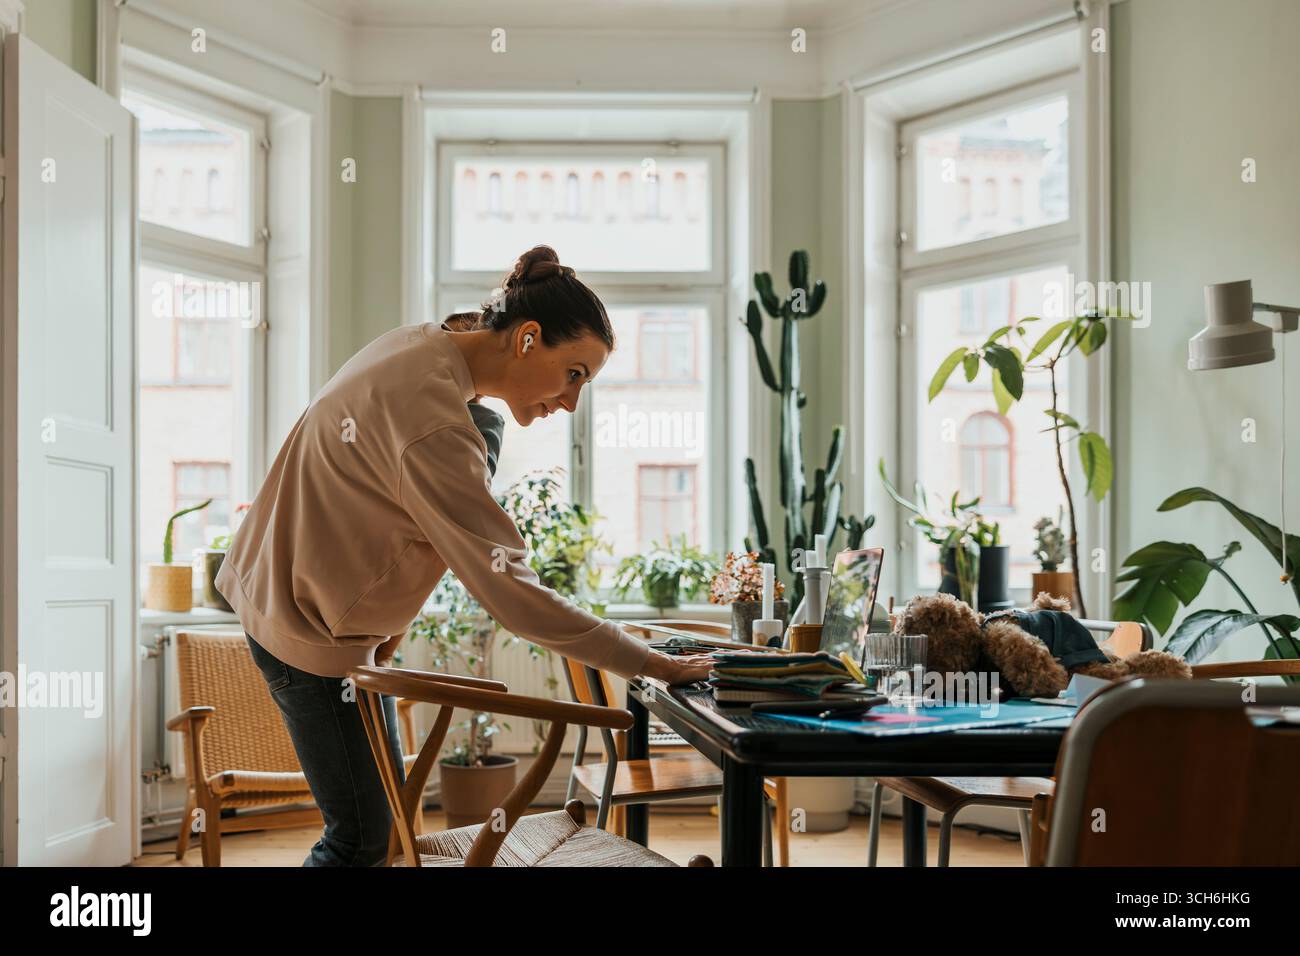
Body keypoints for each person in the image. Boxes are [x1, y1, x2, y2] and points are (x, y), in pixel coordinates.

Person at [216, 245, 713, 866]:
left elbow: (383, 506)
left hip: (295, 601)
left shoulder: (421, 348)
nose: (571, 402)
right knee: (362, 838)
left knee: (383, 834)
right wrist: (654, 665)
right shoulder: (436, 426)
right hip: (304, 631)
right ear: (528, 338)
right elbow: (516, 597)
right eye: (575, 373)